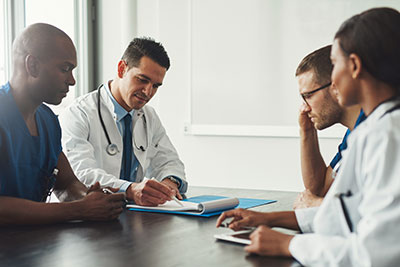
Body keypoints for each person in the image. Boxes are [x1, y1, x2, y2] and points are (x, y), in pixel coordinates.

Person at [216, 7, 400, 266]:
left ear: (355, 66)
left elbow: (377, 255)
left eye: (335, 64)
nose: (334, 78)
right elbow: (344, 215)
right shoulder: (375, 129)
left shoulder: (388, 134)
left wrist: (290, 244)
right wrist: (267, 219)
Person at [0, 23, 125, 225]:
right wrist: (78, 209)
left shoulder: (47, 120)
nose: (72, 81)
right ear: (32, 65)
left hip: (33, 249)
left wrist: (89, 197)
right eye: (65, 69)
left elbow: (66, 184)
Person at [59, 37, 187, 206]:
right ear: (121, 69)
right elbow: (80, 174)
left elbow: (169, 161)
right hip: (89, 217)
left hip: (134, 216)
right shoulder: (78, 113)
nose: (148, 92)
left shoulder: (149, 116)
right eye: (142, 80)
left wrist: (169, 183)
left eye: (156, 86)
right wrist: (129, 189)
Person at [293, 45, 366, 209]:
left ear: (335, 87)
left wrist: (319, 204)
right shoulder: (352, 132)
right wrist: (306, 131)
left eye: (308, 96)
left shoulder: (373, 128)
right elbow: (318, 190)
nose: (304, 107)